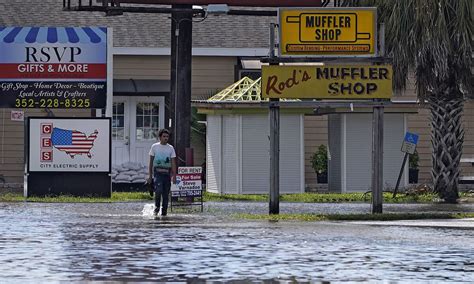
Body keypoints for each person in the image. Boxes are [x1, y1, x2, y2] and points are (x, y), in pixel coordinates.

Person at [147, 129, 176, 216]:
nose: (166, 138)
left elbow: (173, 162)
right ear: (160, 137)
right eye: (164, 136)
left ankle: (164, 213)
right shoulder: (154, 147)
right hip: (157, 173)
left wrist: (174, 175)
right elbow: (151, 162)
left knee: (166, 194)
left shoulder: (170, 148)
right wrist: (150, 175)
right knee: (158, 190)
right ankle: (156, 208)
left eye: (167, 137)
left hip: (167, 173)